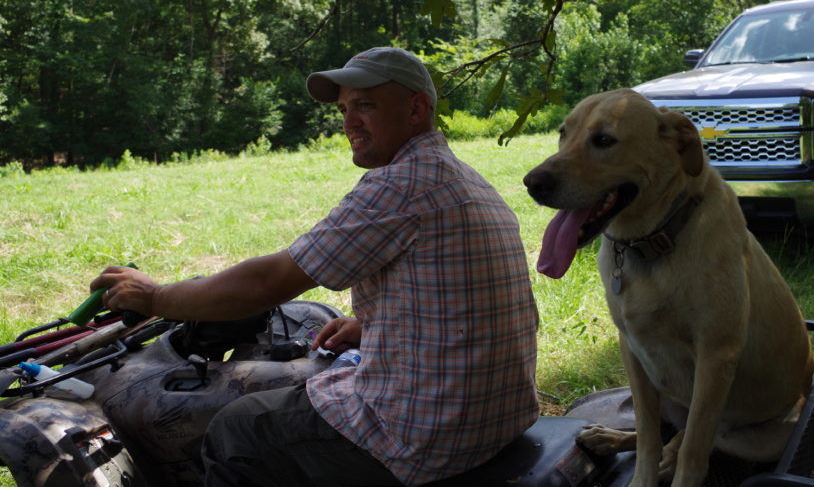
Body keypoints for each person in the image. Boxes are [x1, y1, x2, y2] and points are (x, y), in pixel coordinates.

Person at [90, 47, 540, 487]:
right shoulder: (465, 178)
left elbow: (268, 283)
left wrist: (154, 297)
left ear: (416, 108)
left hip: (426, 435)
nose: (349, 122)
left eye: (366, 105)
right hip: (497, 417)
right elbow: (463, 299)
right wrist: (375, 326)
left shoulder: (403, 183)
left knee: (239, 427)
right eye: (344, 109)